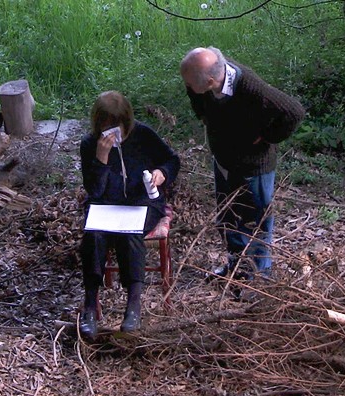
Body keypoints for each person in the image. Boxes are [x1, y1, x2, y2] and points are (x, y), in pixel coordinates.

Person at [180, 46, 305, 285]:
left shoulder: (250, 88)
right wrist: (206, 116)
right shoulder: (204, 84)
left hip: (252, 167)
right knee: (228, 217)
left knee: (256, 223)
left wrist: (267, 136)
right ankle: (237, 266)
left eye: (191, 84)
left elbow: (294, 111)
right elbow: (196, 97)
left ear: (209, 81)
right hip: (224, 161)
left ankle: (258, 279)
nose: (187, 88)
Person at [79, 91, 180, 338]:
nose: (113, 130)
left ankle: (133, 305)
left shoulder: (143, 135)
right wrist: (101, 161)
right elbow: (94, 190)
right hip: (105, 204)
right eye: (107, 125)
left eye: (118, 124)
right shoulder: (89, 144)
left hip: (143, 202)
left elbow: (172, 160)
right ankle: (90, 305)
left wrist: (161, 172)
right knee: (93, 237)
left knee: (129, 233)